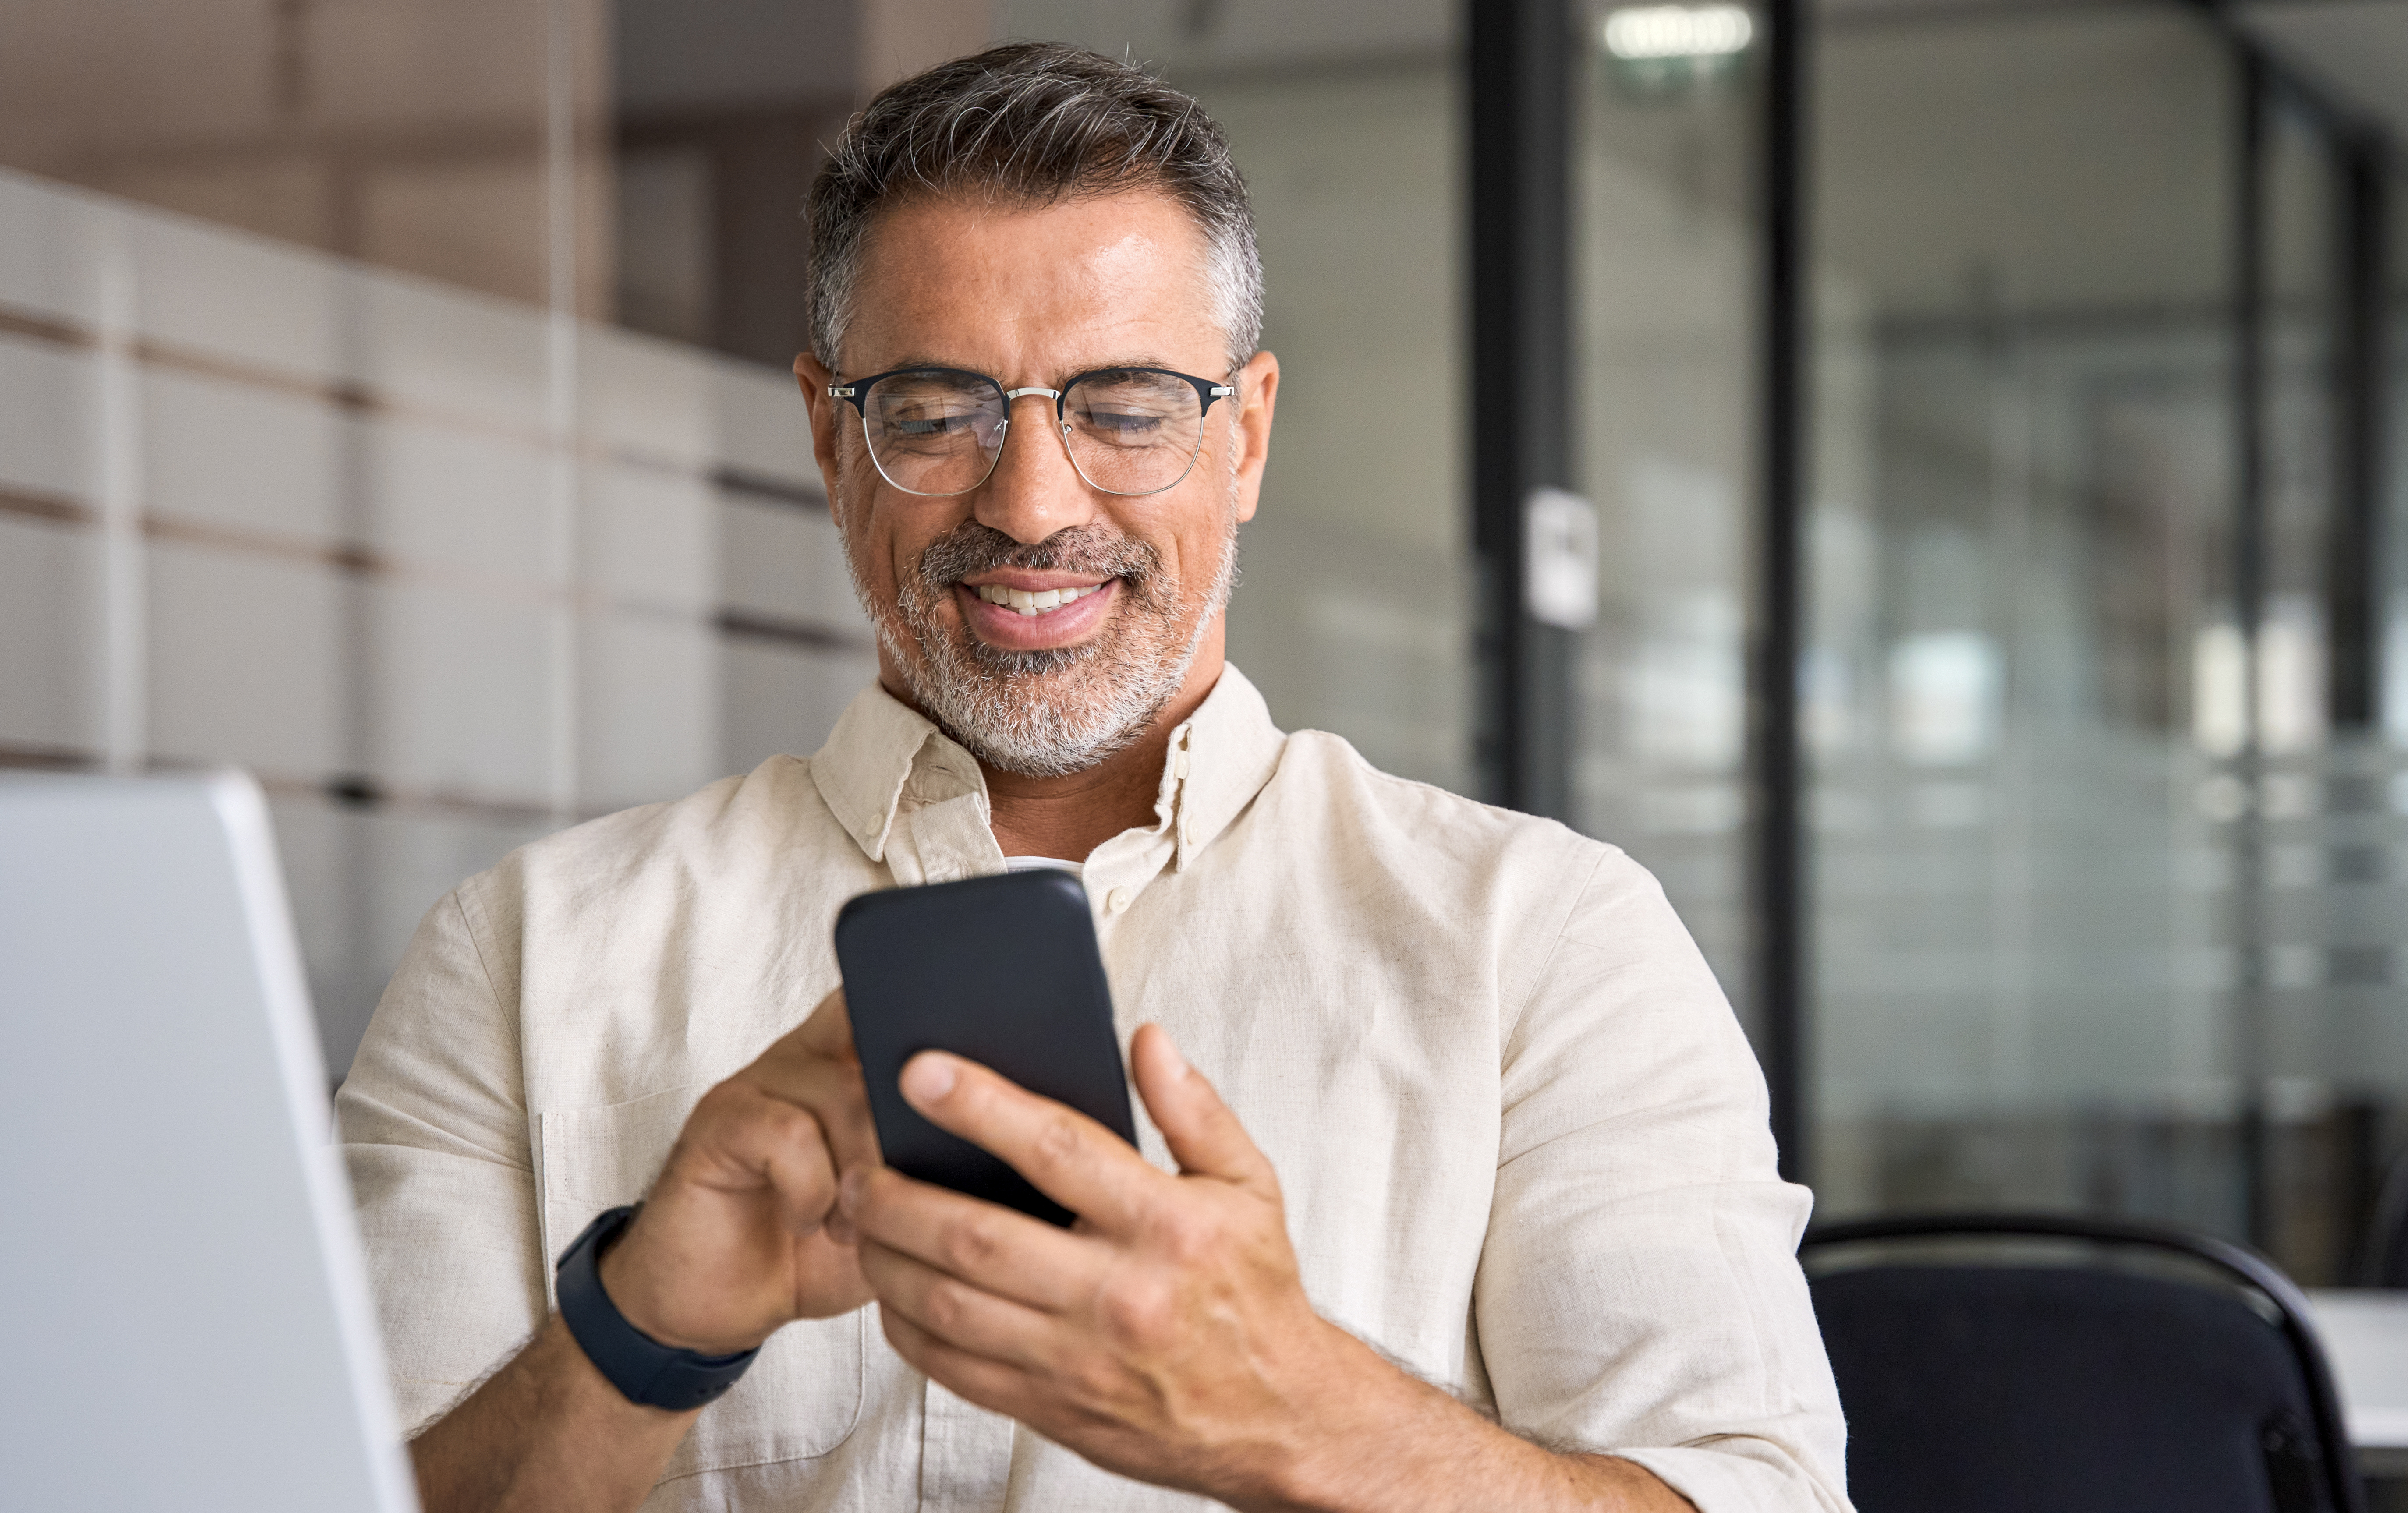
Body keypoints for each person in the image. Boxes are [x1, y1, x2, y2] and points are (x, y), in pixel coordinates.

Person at [336, 41, 1848, 1513]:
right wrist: (637, 1331)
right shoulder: (526, 953)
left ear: (1244, 437)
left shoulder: (1544, 942)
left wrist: (1302, 1417)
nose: (1032, 501)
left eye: (1125, 407)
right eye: (936, 413)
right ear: (826, 437)